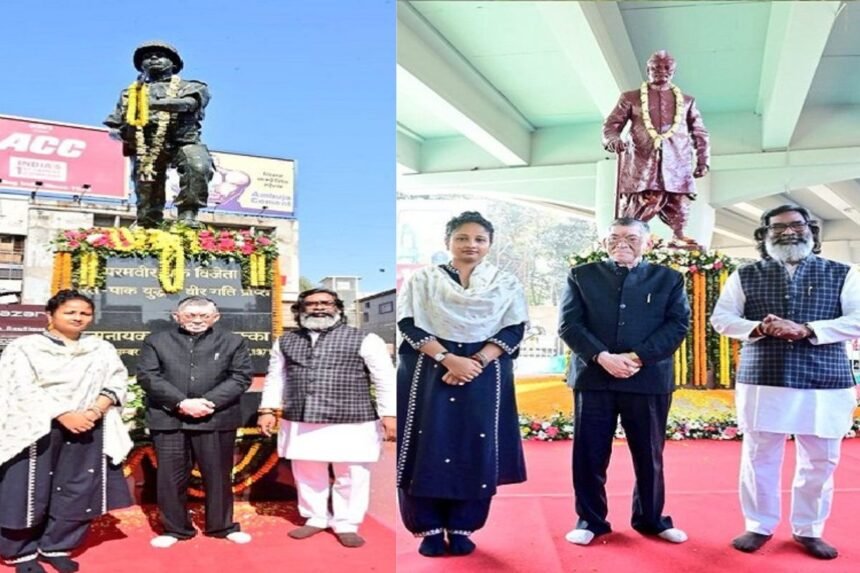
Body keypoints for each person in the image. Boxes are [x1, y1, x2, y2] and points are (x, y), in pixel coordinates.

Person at [710, 205, 860, 560]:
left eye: (797, 225)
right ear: (764, 235)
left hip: (825, 378)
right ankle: (759, 524)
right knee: (760, 455)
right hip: (765, 376)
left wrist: (808, 330)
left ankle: (809, 529)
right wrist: (759, 328)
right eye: (778, 227)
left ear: (812, 230)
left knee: (821, 458)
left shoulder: (845, 273)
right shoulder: (745, 275)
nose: (789, 232)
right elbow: (722, 319)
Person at [396, 211, 529, 557]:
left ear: (489, 245)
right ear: (447, 243)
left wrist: (476, 362)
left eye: (479, 239)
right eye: (462, 238)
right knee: (428, 444)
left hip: (485, 373)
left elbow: (514, 328)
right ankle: (427, 528)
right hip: (428, 372)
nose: (471, 245)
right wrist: (449, 359)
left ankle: (462, 528)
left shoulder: (506, 282)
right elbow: (409, 324)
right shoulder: (424, 280)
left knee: (476, 444)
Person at [558, 217, 690, 546]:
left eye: (631, 238)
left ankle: (651, 519)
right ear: (605, 242)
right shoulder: (582, 275)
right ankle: (590, 520)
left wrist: (636, 358)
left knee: (649, 454)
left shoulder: (669, 279)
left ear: (648, 242)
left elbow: (677, 326)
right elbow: (569, 325)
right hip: (593, 377)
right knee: (589, 454)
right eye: (614, 237)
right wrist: (603, 357)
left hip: (646, 379)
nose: (622, 243)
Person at [0, 290, 132, 573]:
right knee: (27, 489)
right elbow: (19, 387)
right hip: (36, 428)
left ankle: (56, 545)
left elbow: (117, 381)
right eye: (70, 312)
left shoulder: (101, 348)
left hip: (87, 425)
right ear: (50, 315)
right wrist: (62, 414)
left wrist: (95, 411)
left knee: (77, 487)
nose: (78, 317)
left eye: (85, 313)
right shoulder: (25, 348)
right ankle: (20, 553)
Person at [257, 288, 396, 548]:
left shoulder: (365, 339)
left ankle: (347, 523)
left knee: (352, 474)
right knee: (307, 472)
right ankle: (315, 518)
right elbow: (276, 378)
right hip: (301, 418)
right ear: (300, 310)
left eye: (325, 303)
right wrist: (267, 409)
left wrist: (390, 414)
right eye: (311, 304)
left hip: (353, 419)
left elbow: (384, 378)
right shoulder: (285, 341)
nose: (319, 307)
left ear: (338, 308)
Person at [136, 296, 253, 548]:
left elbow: (241, 377)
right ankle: (175, 529)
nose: (197, 320)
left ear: (216, 317)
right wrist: (181, 402)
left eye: (204, 315)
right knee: (170, 477)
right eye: (190, 315)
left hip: (216, 418)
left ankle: (222, 526)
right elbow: (148, 376)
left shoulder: (234, 341)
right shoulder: (156, 341)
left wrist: (208, 402)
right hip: (169, 419)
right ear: (176, 316)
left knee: (218, 475)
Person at [602, 50, 710, 241]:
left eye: (667, 67)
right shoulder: (630, 98)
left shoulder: (687, 101)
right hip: (642, 164)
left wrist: (703, 161)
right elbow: (611, 126)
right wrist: (613, 140)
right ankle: (629, 237)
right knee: (644, 203)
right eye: (656, 67)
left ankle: (679, 236)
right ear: (648, 69)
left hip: (677, 163)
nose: (662, 70)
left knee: (679, 202)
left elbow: (699, 133)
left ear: (673, 71)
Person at [105, 41, 213, 228]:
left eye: (160, 55)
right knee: (147, 188)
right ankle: (148, 224)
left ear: (174, 63)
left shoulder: (192, 86)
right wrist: (125, 133)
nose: (153, 58)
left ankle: (188, 215)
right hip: (146, 145)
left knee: (198, 166)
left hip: (183, 141)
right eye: (147, 57)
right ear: (140, 65)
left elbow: (188, 104)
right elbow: (115, 126)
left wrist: (148, 104)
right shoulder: (129, 93)